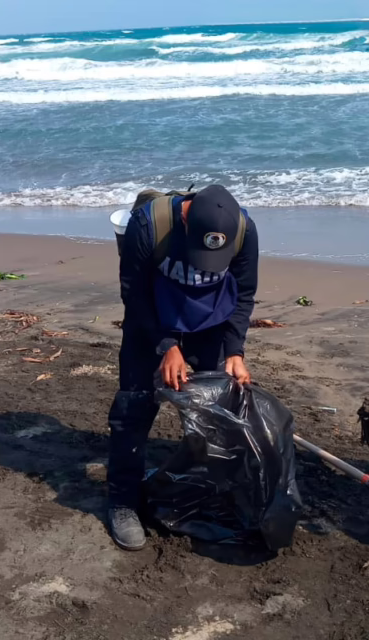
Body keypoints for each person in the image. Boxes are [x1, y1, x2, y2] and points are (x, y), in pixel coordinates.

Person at [107, 184, 259, 551]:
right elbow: (135, 293)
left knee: (209, 413)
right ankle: (123, 502)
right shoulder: (149, 226)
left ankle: (199, 489)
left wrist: (234, 351)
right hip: (153, 323)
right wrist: (167, 345)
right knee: (134, 408)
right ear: (186, 217)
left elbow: (245, 292)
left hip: (209, 328)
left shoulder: (244, 231)